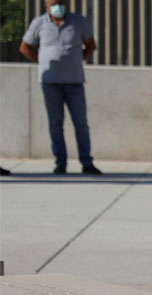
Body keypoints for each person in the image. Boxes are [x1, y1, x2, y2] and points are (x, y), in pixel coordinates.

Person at [20, 0, 101, 175]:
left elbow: (91, 45)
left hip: (74, 82)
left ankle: (87, 163)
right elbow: (25, 47)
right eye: (54, 4)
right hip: (50, 83)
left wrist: (77, 60)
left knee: (81, 123)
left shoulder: (79, 22)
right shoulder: (39, 23)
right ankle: (60, 163)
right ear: (46, 7)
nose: (58, 7)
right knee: (55, 124)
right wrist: (41, 61)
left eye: (61, 3)